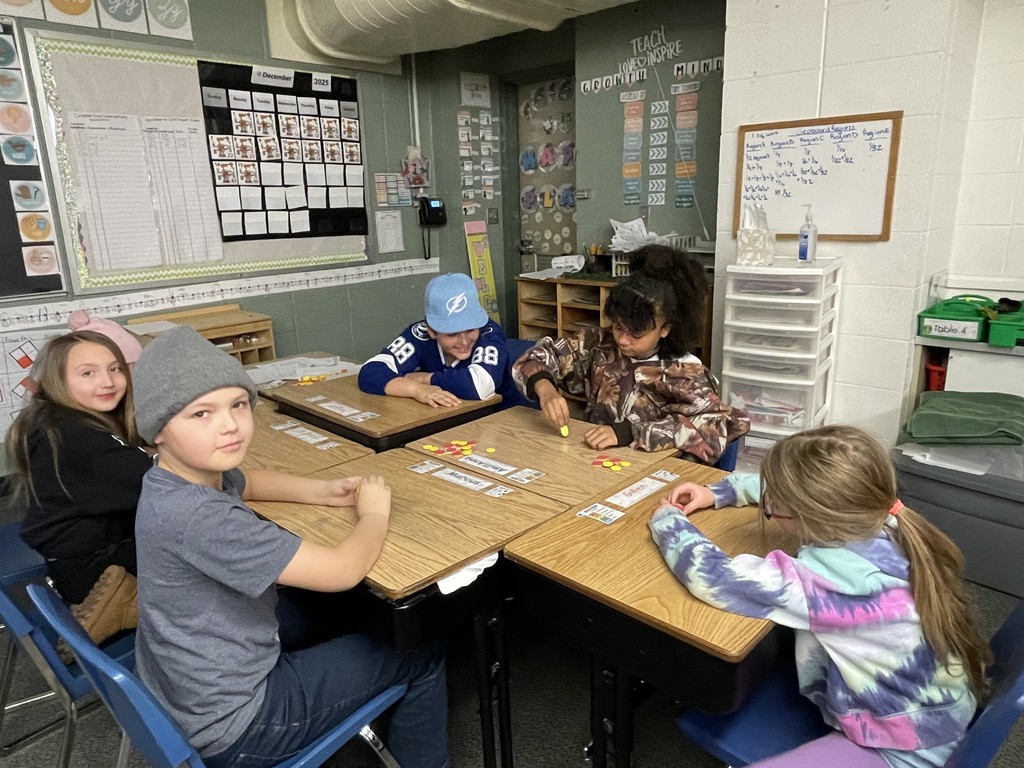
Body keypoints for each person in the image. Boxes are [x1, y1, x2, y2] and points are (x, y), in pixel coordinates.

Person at [131, 326, 449, 768]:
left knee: (336, 610)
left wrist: (323, 491)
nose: (229, 425)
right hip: (242, 723)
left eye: (238, 404)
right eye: (201, 414)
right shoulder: (201, 518)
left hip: (188, 685)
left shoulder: (171, 479)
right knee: (420, 645)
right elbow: (341, 571)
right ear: (158, 430)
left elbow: (247, 481)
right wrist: (374, 512)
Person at [649, 425, 991, 768]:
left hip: (900, 748)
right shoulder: (884, 518)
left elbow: (714, 576)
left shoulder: (827, 582)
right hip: (939, 709)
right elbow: (798, 493)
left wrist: (666, 519)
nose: (770, 507)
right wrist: (722, 491)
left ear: (810, 514)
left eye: (774, 505)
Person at [512, 244, 748, 461]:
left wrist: (629, 432)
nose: (623, 341)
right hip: (593, 460)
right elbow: (538, 356)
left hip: (649, 472)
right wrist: (545, 389)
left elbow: (725, 423)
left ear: (665, 329)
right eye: (618, 327)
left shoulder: (685, 371)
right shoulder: (599, 344)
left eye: (636, 334)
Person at [7, 330, 149, 647]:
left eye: (115, 368)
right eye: (88, 373)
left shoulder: (55, 420)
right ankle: (126, 605)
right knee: (206, 546)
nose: (108, 382)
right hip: (97, 575)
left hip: (70, 563)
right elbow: (162, 483)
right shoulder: (78, 438)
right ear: (57, 380)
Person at [358, 272, 524, 408]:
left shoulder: (488, 332)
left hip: (502, 418)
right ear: (431, 330)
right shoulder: (420, 333)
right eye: (452, 334)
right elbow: (370, 373)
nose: (464, 341)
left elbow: (479, 386)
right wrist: (417, 390)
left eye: (470, 330)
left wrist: (426, 379)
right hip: (450, 420)